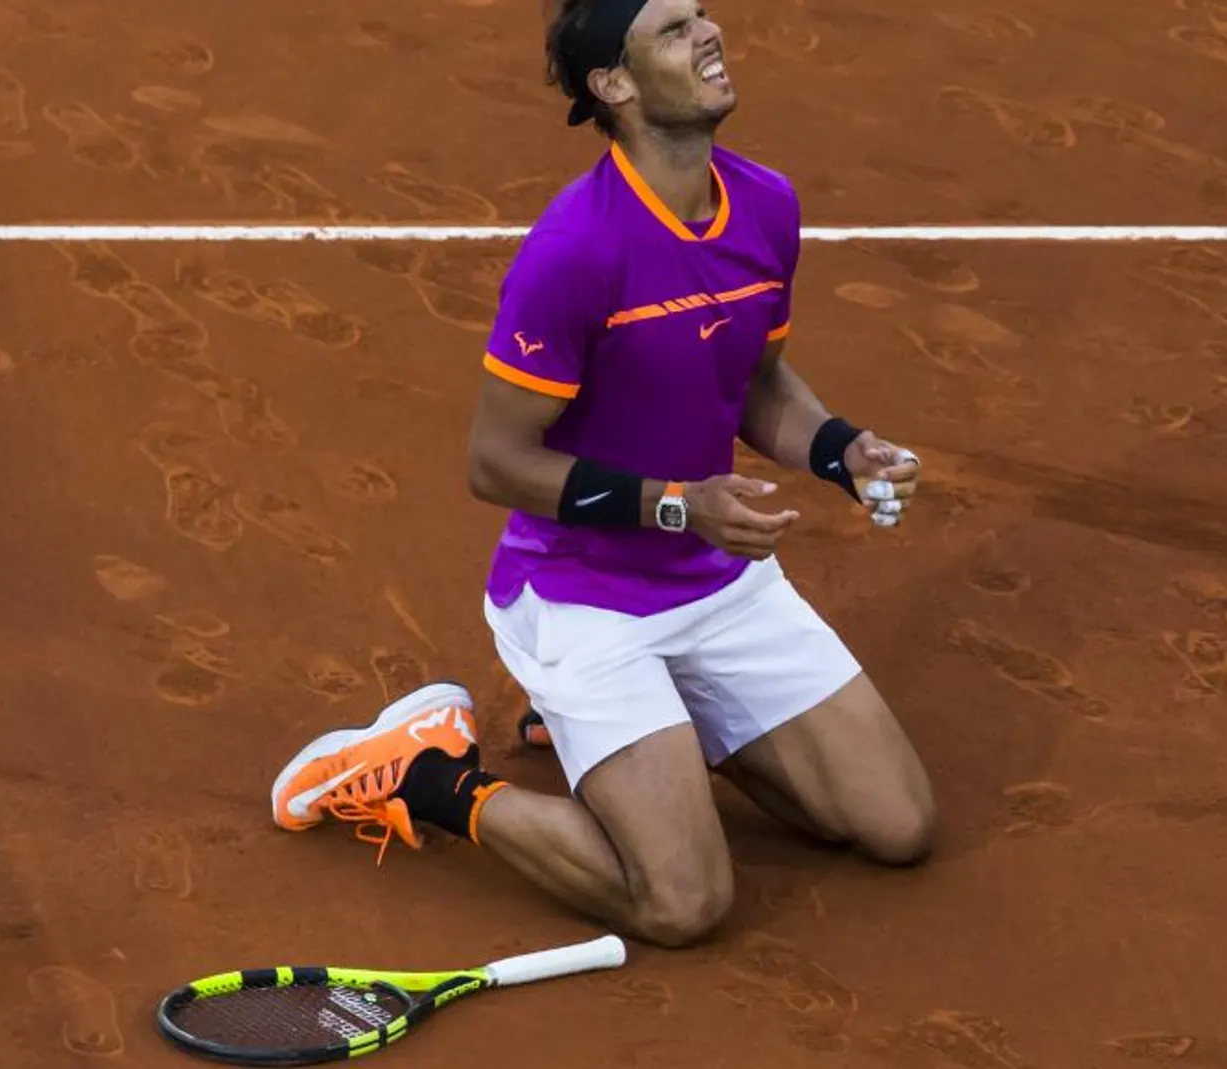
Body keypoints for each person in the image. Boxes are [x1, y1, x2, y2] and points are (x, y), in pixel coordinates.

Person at [270, 0, 936, 948]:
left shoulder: (767, 204)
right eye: (673, 30)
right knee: (683, 902)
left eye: (702, 15)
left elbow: (753, 382)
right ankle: (424, 772)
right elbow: (495, 462)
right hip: (583, 598)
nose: (709, 33)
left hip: (717, 581)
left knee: (896, 824)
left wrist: (842, 448)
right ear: (614, 88)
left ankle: (634, 729)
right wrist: (678, 507)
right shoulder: (576, 249)